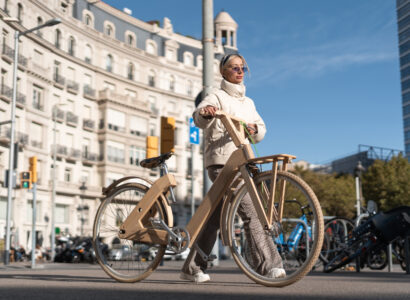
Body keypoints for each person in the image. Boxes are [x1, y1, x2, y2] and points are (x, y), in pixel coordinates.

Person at [180, 54, 285, 283]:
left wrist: (253, 127)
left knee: (214, 218)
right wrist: (206, 112)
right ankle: (269, 265)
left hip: (242, 162)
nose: (239, 71)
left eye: (242, 68)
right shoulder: (215, 96)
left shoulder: (248, 103)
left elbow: (261, 130)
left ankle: (192, 267)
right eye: (234, 68)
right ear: (223, 71)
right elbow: (199, 116)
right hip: (221, 163)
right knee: (252, 210)